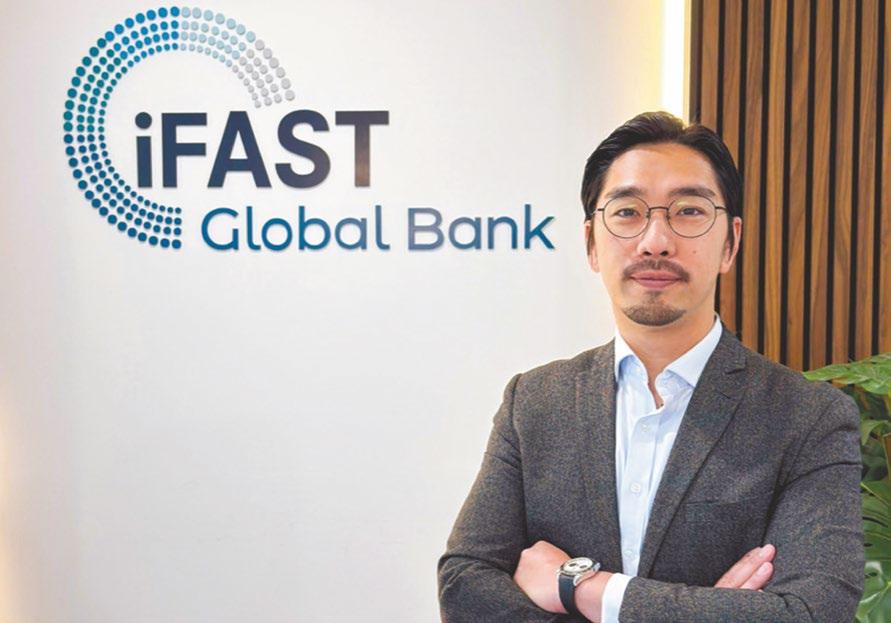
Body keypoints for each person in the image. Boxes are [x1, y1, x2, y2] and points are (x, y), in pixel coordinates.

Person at [436, 112, 864, 622]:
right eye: (627, 212)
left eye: (689, 211)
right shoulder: (535, 402)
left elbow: (813, 612)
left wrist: (585, 588)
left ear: (730, 243)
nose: (655, 241)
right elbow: (464, 585)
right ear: (591, 243)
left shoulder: (808, 417)